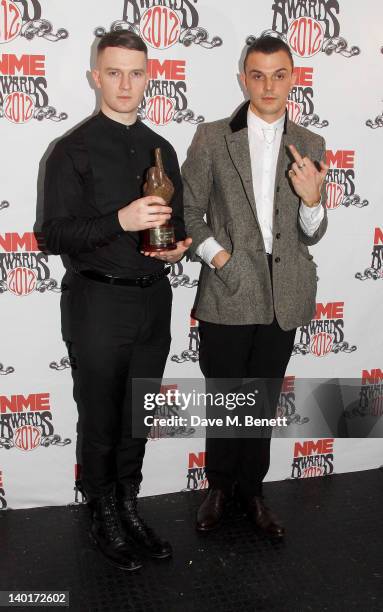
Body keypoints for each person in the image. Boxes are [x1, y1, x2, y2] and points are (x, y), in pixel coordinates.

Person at [42, 30, 191, 571]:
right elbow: (52, 234)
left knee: (138, 414)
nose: (125, 84)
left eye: (135, 72)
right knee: (101, 418)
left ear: (149, 77)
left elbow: (168, 228)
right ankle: (101, 511)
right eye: (114, 72)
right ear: (95, 77)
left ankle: (128, 506)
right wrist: (119, 221)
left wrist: (175, 251)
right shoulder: (71, 150)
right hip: (97, 302)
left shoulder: (163, 149)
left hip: (155, 301)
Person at [182, 36, 328, 537]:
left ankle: (253, 491)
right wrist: (220, 258)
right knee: (226, 396)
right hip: (228, 287)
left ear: (293, 78)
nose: (269, 85)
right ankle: (219, 487)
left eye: (279, 74)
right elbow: (186, 211)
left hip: (283, 290)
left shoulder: (310, 144)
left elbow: (312, 231)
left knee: (261, 398)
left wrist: (313, 202)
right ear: (243, 79)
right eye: (258, 75)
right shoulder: (212, 136)